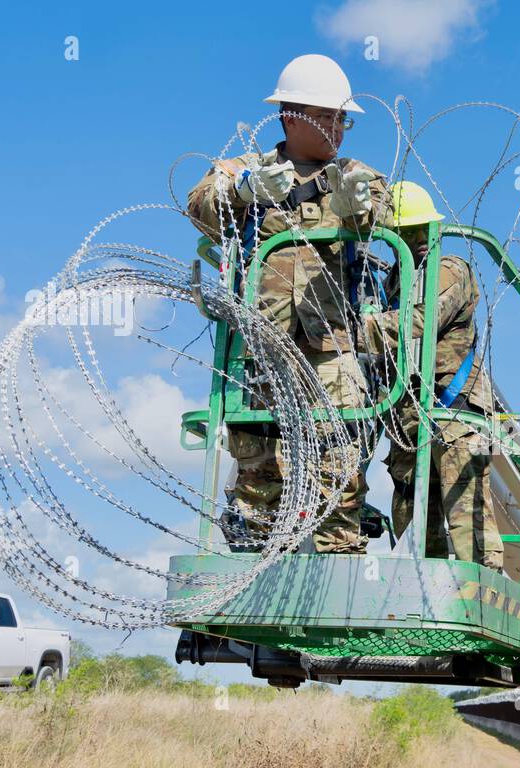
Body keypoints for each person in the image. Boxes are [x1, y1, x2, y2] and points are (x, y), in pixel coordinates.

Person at [186, 54, 386, 553]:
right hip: (260, 342)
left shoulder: (353, 173)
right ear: (293, 115)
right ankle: (254, 558)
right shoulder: (244, 170)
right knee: (260, 453)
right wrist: (243, 191)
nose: (342, 128)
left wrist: (360, 204)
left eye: (346, 119)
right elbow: (200, 208)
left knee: (338, 454)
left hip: (332, 341)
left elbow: (384, 208)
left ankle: (340, 555)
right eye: (334, 117)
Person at [358, 181, 504, 571]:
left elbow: (420, 320)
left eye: (423, 229)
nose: (419, 240)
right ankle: (418, 589)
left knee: (466, 510)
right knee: (414, 521)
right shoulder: (394, 281)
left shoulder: (449, 269)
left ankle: (479, 590)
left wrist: (356, 331)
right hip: (408, 414)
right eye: (407, 232)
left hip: (454, 408)